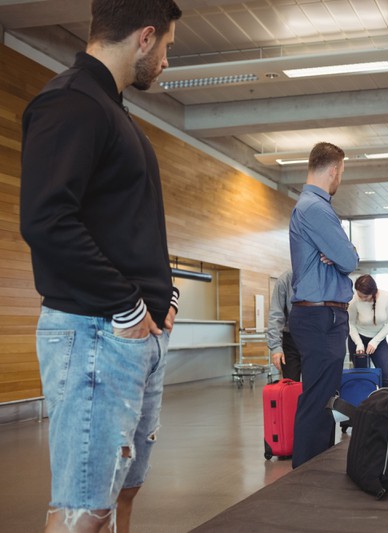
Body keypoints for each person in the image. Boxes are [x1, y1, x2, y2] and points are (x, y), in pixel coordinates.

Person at [18, 1, 183, 531]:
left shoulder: (111, 109)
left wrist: (165, 293)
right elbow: (47, 221)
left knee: (122, 492)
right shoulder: (70, 103)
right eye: (167, 49)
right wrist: (128, 305)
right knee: (82, 510)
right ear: (145, 37)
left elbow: (122, 223)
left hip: (130, 336)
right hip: (96, 334)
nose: (165, 62)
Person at [288, 142, 359, 469]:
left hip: (325, 313)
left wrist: (342, 253)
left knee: (323, 395)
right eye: (341, 173)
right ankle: (304, 471)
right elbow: (349, 258)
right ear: (333, 171)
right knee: (317, 396)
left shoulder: (315, 207)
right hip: (318, 315)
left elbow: (343, 255)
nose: (339, 178)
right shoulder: (315, 208)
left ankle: (314, 466)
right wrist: (345, 253)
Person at [348, 275, 388, 388]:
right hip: (358, 338)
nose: (361, 298)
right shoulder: (353, 300)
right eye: (359, 295)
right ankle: (364, 404)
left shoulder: (386, 297)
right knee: (362, 378)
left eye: (364, 297)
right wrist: (359, 343)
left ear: (373, 292)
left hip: (378, 339)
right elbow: (350, 323)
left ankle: (385, 403)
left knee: (387, 376)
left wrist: (375, 341)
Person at [267, 270, 301, 382]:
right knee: (290, 383)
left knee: (313, 387)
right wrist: (276, 347)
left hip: (315, 339)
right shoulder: (285, 280)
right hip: (290, 340)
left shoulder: (320, 277)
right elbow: (276, 315)